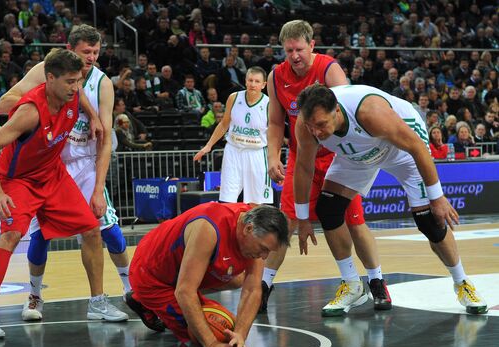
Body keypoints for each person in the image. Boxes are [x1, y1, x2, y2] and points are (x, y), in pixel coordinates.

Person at [294, 84, 487, 316]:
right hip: (358, 154)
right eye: (311, 126)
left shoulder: (370, 112)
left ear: (336, 110)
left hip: (403, 149)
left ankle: (462, 282)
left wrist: (437, 197)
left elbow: (417, 148)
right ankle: (352, 285)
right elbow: (304, 168)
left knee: (429, 222)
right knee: (328, 208)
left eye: (321, 125)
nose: (316, 132)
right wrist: (302, 219)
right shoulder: (307, 124)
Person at [0, 49, 125, 340]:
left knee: (93, 228)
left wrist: (93, 116)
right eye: (69, 81)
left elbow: (79, 94)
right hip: (19, 180)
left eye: (78, 81)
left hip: (53, 175)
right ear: (49, 78)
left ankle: (97, 302)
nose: (75, 87)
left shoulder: (71, 95)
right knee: (11, 235)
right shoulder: (29, 111)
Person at [266, 20, 391, 316]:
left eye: (298, 49)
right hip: (302, 157)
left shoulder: (329, 69)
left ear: (311, 46)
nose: (294, 55)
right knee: (286, 223)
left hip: (337, 157)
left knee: (355, 222)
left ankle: (376, 281)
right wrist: (273, 156)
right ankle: (262, 286)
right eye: (288, 51)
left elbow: (347, 113)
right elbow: (274, 121)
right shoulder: (275, 77)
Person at [126, 203, 289, 347]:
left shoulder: (257, 222)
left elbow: (253, 289)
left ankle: (140, 301)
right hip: (150, 275)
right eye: (264, 249)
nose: (264, 256)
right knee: (209, 334)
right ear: (248, 229)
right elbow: (184, 291)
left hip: (177, 269)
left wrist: (240, 334)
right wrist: (211, 344)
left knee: (236, 287)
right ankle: (144, 298)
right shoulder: (209, 228)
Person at [194, 67, 272, 204]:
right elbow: (224, 124)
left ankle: (254, 226)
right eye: (250, 80)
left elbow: (273, 133)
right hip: (233, 151)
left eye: (257, 81)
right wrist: (208, 146)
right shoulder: (234, 98)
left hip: (257, 153)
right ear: (245, 81)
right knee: (226, 198)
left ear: (264, 84)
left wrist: (274, 159)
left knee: (256, 202)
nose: (253, 84)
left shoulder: (269, 104)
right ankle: (228, 225)